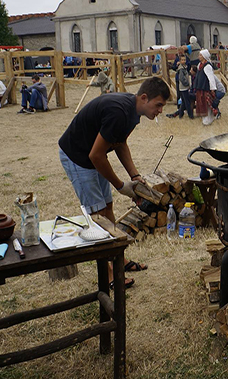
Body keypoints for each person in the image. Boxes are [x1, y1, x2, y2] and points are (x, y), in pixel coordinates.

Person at [58, 77, 170, 288]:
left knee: (107, 208)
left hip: (94, 157)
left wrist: (134, 176)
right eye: (159, 105)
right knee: (97, 215)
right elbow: (96, 156)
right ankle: (109, 274)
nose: (160, 111)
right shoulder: (119, 112)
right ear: (144, 98)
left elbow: (120, 143)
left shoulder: (134, 112)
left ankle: (119, 259)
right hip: (78, 157)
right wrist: (120, 186)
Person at [195, 50, 216, 125]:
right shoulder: (199, 65)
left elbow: (211, 78)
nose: (199, 57)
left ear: (204, 56)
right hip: (200, 87)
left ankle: (208, 120)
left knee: (207, 104)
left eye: (200, 55)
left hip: (205, 88)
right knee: (201, 103)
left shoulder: (207, 66)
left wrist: (212, 88)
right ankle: (205, 119)